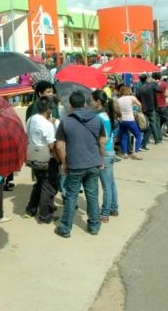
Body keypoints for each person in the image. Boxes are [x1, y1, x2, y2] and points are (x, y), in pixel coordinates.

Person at [55, 91, 106, 238]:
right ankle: (94, 226)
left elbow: (59, 146)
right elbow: (102, 141)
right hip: (93, 163)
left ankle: (65, 228)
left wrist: (64, 163)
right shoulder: (97, 119)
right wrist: (100, 159)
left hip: (75, 165)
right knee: (92, 195)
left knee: (71, 196)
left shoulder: (65, 121)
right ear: (84, 104)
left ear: (70, 105)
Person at [24, 96, 59, 224]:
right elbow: (52, 146)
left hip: (33, 156)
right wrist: (59, 159)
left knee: (39, 184)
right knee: (47, 186)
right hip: (46, 159)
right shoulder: (47, 125)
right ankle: (45, 215)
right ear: (49, 109)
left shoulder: (31, 119)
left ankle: (31, 209)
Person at [91, 90, 119, 222]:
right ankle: (114, 207)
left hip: (104, 153)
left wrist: (99, 157)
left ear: (98, 101)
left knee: (106, 185)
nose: (90, 102)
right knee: (111, 183)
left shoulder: (100, 117)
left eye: (92, 100)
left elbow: (102, 138)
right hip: (110, 151)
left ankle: (105, 212)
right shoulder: (106, 115)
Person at [117, 86, 143, 160]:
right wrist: (139, 111)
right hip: (130, 119)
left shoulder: (118, 100)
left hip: (122, 120)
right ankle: (136, 153)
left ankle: (125, 153)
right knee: (138, 135)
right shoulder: (131, 97)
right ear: (128, 91)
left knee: (124, 136)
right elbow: (140, 104)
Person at [136, 74, 161, 148]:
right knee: (153, 123)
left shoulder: (140, 88)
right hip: (151, 107)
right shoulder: (151, 85)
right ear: (146, 79)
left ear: (140, 80)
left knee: (145, 124)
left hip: (144, 108)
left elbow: (138, 98)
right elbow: (159, 90)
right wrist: (155, 83)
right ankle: (156, 139)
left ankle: (146, 140)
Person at [152, 73, 168, 142]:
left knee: (157, 122)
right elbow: (166, 94)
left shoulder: (151, 84)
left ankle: (159, 138)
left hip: (155, 106)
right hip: (163, 105)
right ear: (160, 77)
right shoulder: (164, 84)